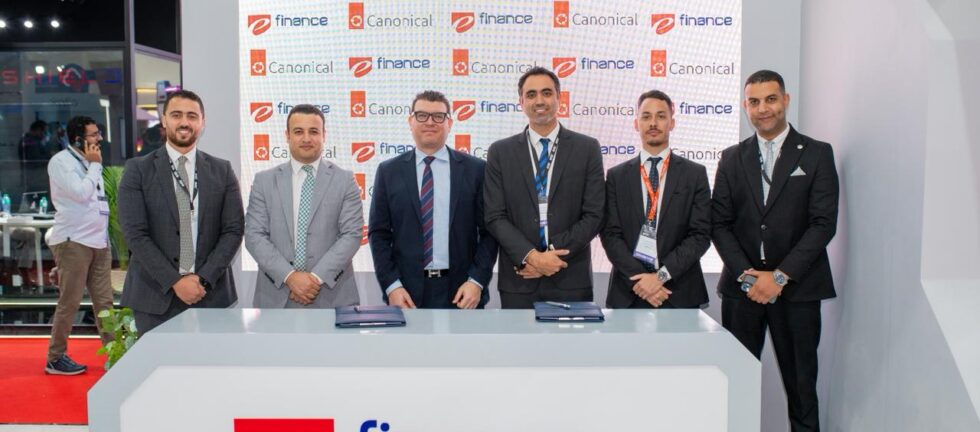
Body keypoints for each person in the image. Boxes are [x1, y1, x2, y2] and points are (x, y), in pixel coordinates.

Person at [711, 69, 839, 431]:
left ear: (785, 100)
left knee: (801, 390)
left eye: (770, 99)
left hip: (798, 292)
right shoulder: (732, 158)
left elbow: (822, 224)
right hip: (743, 292)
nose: (763, 108)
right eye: (754, 102)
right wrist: (748, 277)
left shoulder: (817, 154)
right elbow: (719, 224)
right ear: (745, 107)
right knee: (736, 388)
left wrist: (779, 277)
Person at [118, 90, 244, 334]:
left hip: (210, 294)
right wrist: (175, 281)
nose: (184, 122)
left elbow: (233, 230)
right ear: (164, 120)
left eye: (192, 116)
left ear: (202, 122)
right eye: (176, 115)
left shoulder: (222, 170)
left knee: (211, 360)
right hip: (154, 296)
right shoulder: (138, 170)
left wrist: (202, 279)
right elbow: (135, 234)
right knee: (159, 360)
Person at [483, 67, 605, 308]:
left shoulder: (587, 148)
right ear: (521, 102)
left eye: (547, 93)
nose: (539, 101)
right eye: (531, 94)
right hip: (520, 278)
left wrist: (550, 256)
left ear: (559, 98)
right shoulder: (500, 152)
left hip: (570, 276)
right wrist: (532, 257)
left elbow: (595, 214)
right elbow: (494, 216)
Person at [369, 91, 497, 309]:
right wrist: (392, 286)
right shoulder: (388, 171)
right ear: (410, 121)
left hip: (463, 291)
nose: (430, 122)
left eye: (438, 116)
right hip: (406, 293)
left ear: (449, 123)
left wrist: (476, 281)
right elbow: (378, 234)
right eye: (421, 115)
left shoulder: (476, 170)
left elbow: (490, 233)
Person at [600, 90, 711, 309]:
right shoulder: (616, 176)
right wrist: (642, 281)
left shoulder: (694, 174)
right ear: (636, 124)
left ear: (672, 123)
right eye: (646, 116)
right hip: (630, 290)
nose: (653, 123)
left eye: (661, 116)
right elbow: (610, 235)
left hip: (679, 291)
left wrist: (659, 277)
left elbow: (700, 235)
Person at [245, 104, 363, 308]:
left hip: (331, 297)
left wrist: (314, 279)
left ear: (324, 135)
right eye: (298, 131)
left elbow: (352, 234)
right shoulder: (264, 181)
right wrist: (290, 277)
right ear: (287, 135)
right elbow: (254, 236)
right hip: (277, 297)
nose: (306, 138)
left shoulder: (345, 180)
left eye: (314, 131)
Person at [43, 115, 114, 375]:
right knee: (70, 302)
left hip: (98, 241)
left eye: (98, 133)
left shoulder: (89, 162)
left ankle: (114, 353)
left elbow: (96, 202)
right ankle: (55, 358)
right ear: (77, 139)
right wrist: (95, 165)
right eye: (94, 134)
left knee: (105, 303)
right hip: (74, 241)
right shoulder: (61, 162)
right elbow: (81, 194)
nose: (99, 139)